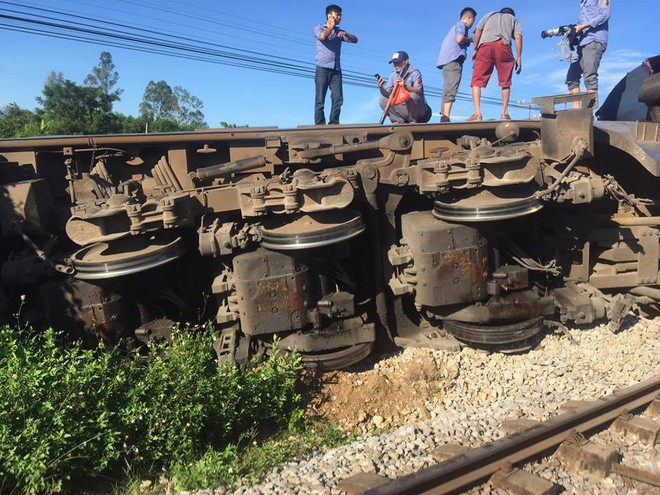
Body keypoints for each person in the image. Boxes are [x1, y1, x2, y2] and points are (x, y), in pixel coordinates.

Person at [468, 7, 523, 121]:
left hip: (485, 46)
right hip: (503, 46)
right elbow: (518, 36)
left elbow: (478, 30)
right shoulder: (513, 19)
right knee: (505, 82)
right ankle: (504, 113)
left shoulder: (489, 14)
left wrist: (475, 49)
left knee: (476, 82)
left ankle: (477, 113)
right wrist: (519, 57)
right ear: (511, 14)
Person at [313, 4, 358, 125]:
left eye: (340, 15)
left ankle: (333, 123)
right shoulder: (319, 28)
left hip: (336, 69)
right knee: (320, 99)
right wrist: (331, 27)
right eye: (337, 15)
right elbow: (323, 37)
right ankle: (319, 125)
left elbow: (355, 40)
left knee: (338, 99)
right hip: (322, 68)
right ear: (329, 16)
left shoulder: (339, 32)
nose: (339, 17)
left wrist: (346, 34)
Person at [566, 0, 611, 106]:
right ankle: (577, 115)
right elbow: (581, 23)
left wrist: (582, 27)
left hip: (594, 40)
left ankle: (587, 115)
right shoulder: (583, 3)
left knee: (590, 77)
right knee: (572, 78)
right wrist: (573, 30)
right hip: (582, 43)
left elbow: (605, 15)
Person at [436, 7, 477, 122]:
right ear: (469, 18)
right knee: (452, 86)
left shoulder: (454, 27)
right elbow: (460, 39)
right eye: (473, 20)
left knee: (447, 86)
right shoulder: (461, 25)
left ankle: (444, 114)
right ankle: (446, 116)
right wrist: (471, 39)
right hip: (454, 60)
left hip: (447, 61)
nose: (472, 23)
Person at [377, 51, 431, 124]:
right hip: (403, 108)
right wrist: (381, 87)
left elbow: (419, 91)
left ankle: (413, 121)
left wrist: (405, 87)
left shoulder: (415, 73)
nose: (396, 65)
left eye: (399, 63)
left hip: (419, 110)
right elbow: (387, 94)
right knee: (382, 100)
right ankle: (398, 121)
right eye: (394, 63)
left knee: (412, 95)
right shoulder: (393, 75)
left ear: (406, 61)